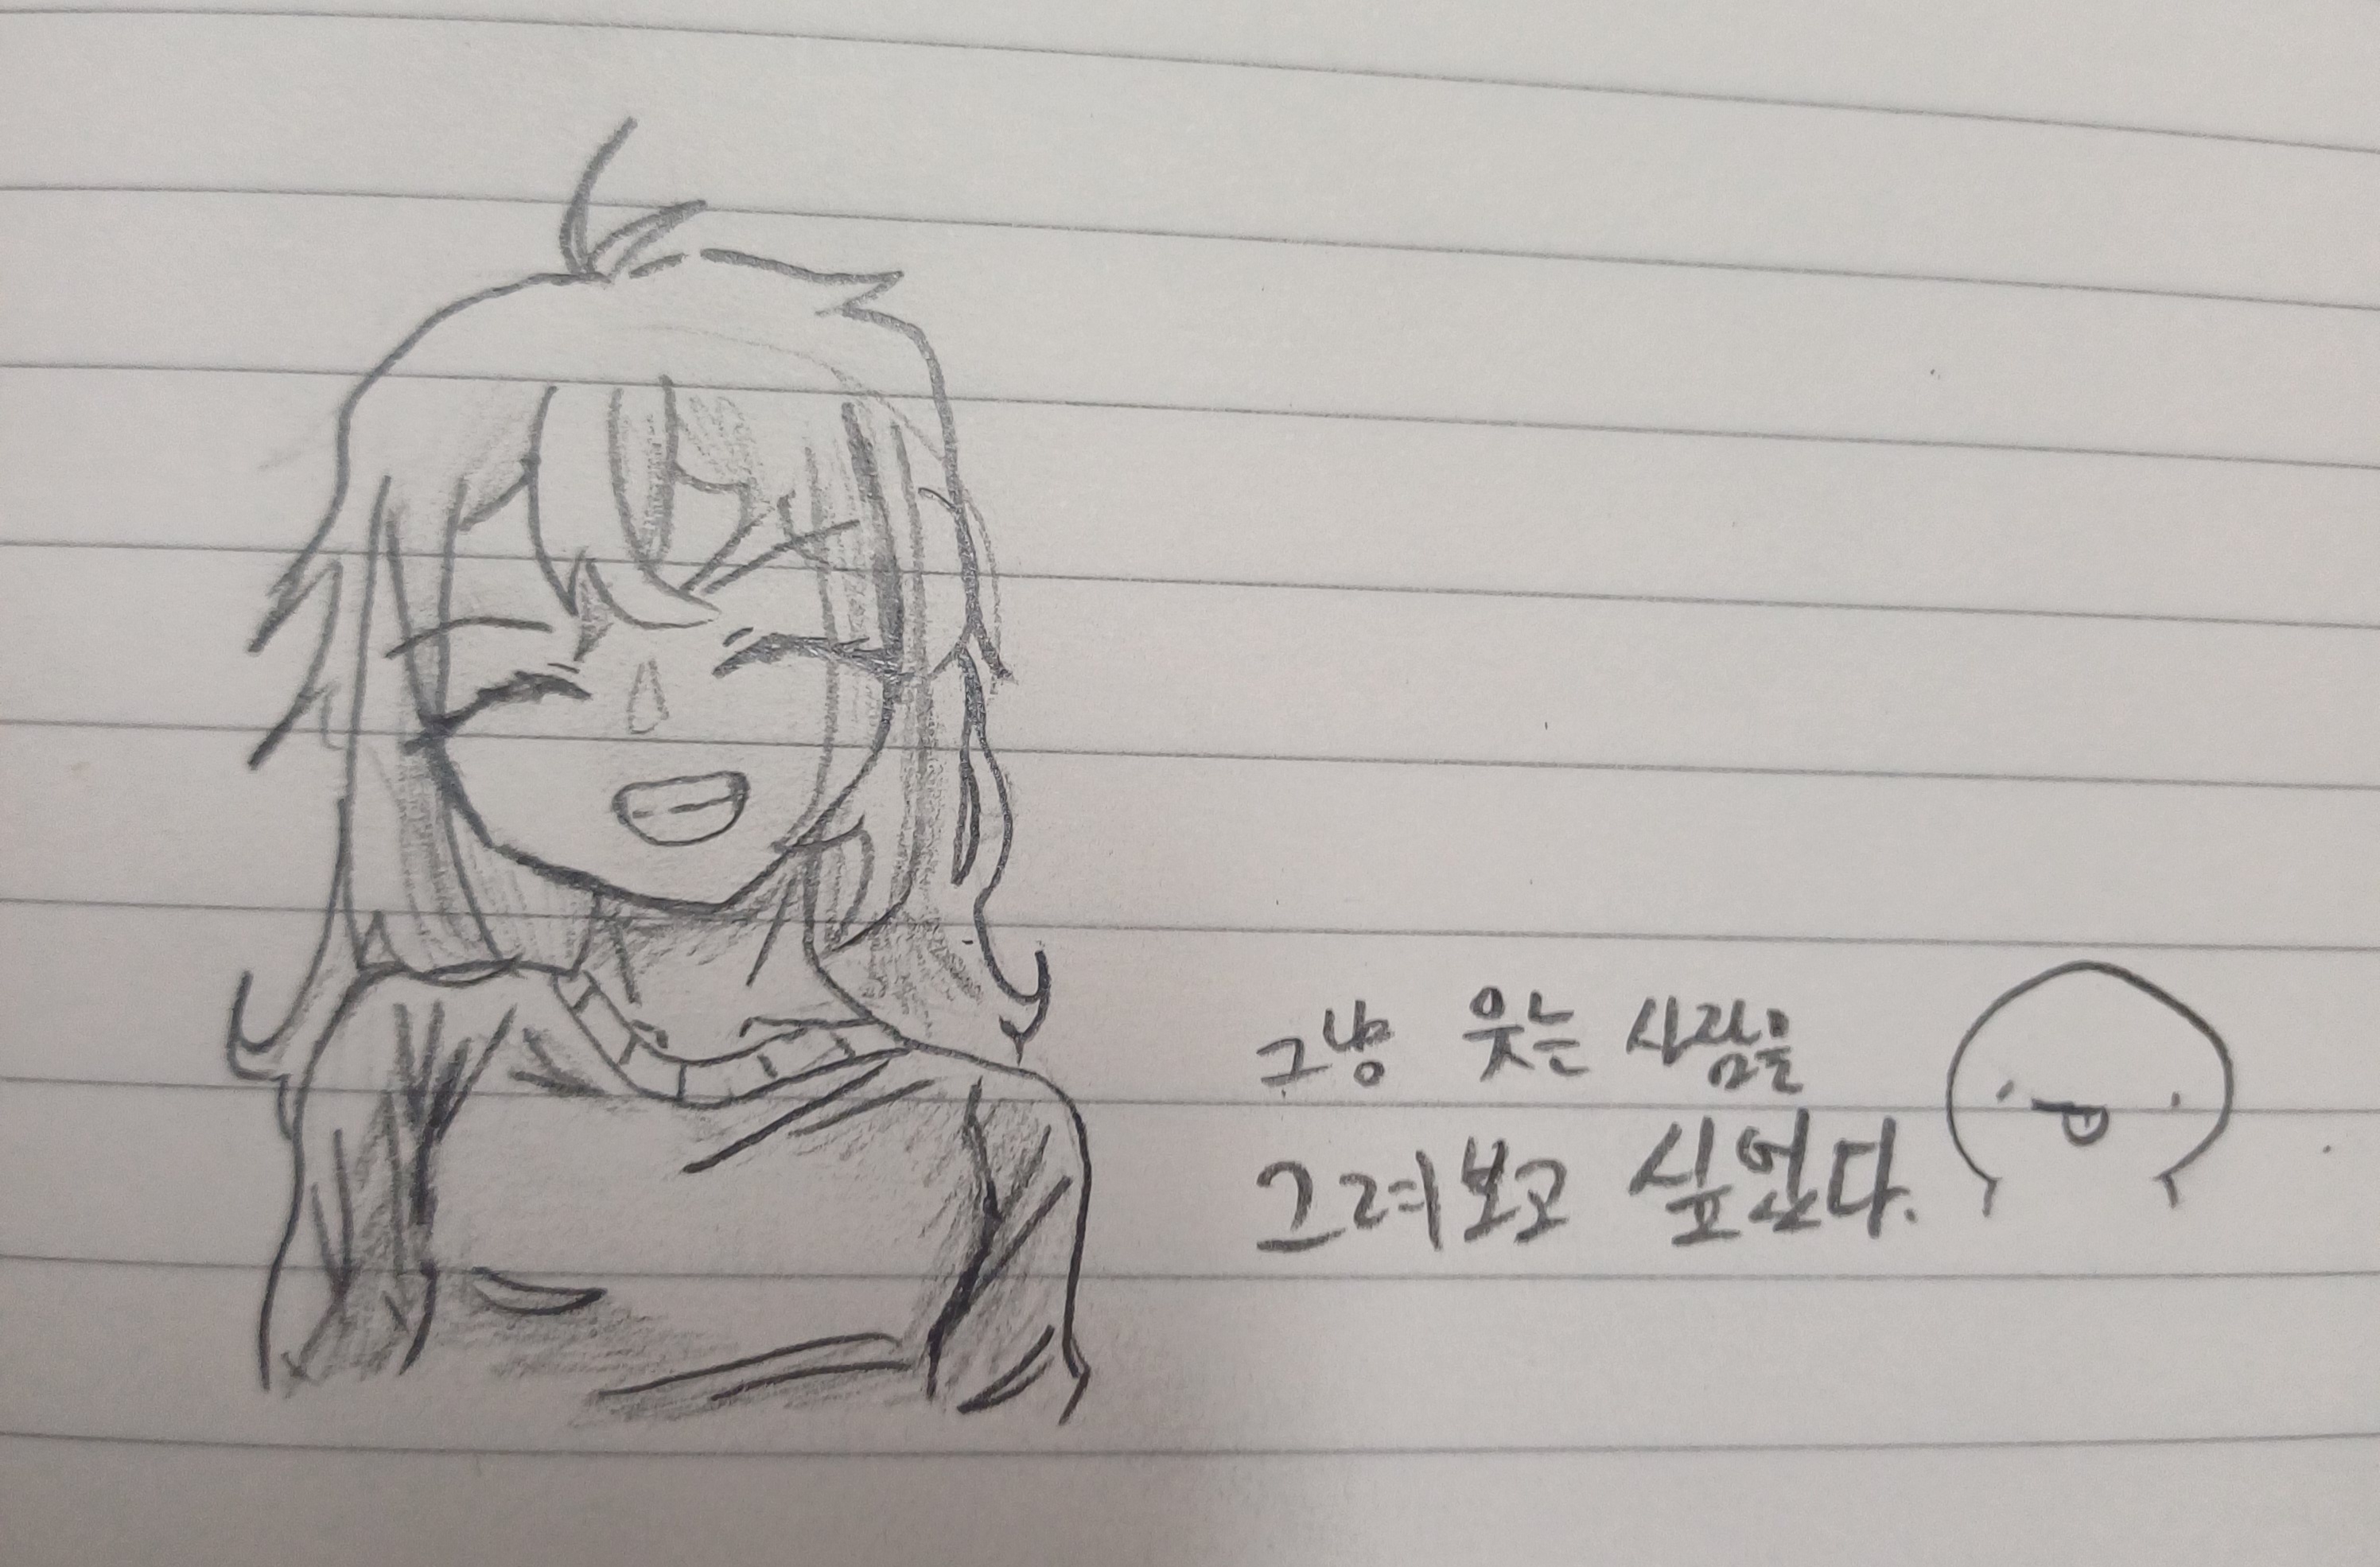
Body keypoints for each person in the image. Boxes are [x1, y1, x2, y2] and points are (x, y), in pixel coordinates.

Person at [229, 125, 1089, 1420]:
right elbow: (303, 1424)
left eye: (760, 642)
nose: (648, 719)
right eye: (527, 677)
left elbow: (1022, 1473)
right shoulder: (415, 1054)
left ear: (911, 636)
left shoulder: (995, 1134)